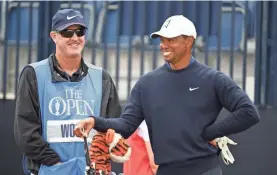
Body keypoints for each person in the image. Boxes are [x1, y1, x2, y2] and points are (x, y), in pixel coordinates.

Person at [74, 15, 260, 175]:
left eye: (171, 39)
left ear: (189, 41)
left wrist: (211, 132)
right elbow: (126, 125)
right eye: (162, 40)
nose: (164, 45)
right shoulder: (146, 83)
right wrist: (95, 122)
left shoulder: (213, 79)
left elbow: (248, 112)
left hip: (205, 170)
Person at [14, 9, 121, 175]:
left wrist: (98, 162)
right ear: (54, 36)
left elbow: (113, 126)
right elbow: (25, 132)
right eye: (67, 32)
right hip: (48, 170)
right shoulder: (33, 74)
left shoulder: (102, 77)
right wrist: (57, 164)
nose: (75, 38)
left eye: (80, 31)